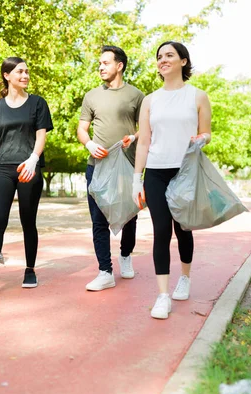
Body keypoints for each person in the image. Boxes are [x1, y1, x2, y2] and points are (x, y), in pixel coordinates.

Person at [132, 41, 212, 319]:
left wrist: (202, 139)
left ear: (183, 61)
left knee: (183, 228)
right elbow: (144, 142)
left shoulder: (198, 96)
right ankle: (163, 296)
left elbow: (206, 133)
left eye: (169, 55)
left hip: (185, 171)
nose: (163, 60)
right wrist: (136, 179)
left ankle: (186, 277)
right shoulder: (150, 100)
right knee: (161, 231)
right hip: (156, 171)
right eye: (159, 57)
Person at [0, 57, 53, 296]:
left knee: (28, 221)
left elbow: (41, 136)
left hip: (28, 168)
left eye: (27, 72)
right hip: (3, 169)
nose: (25, 75)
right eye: (20, 72)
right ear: (7, 76)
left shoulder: (37, 103)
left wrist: (34, 159)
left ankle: (30, 269)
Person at [77, 46, 145, 291]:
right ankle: (105, 271)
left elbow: (147, 128)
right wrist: (89, 144)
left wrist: (134, 137)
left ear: (120, 65)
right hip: (97, 165)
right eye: (99, 63)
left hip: (127, 164)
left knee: (129, 215)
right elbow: (81, 129)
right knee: (98, 219)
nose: (101, 67)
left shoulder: (137, 95)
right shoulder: (91, 96)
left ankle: (125, 255)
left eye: (106, 62)